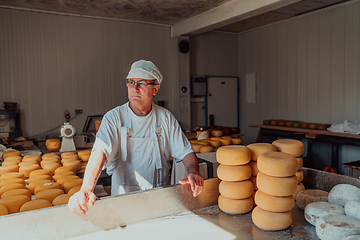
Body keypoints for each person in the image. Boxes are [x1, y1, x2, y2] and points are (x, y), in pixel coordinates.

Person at [68, 60, 204, 215]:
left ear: (155, 89)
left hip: (159, 200)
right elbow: (100, 151)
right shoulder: (114, 118)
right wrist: (86, 188)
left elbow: (186, 152)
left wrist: (193, 171)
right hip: (123, 202)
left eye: (141, 83)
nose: (135, 88)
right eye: (131, 82)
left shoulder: (165, 117)